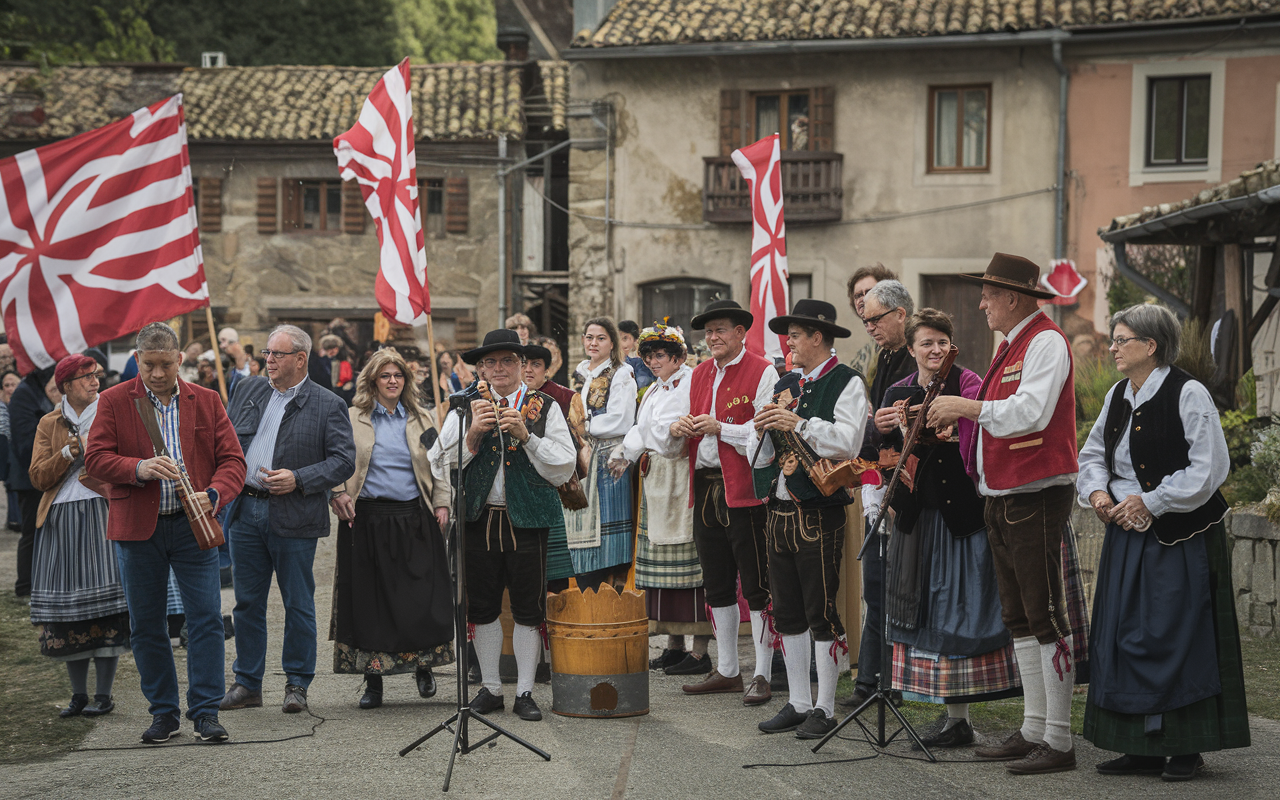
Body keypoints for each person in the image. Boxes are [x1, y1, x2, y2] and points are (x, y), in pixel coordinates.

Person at [1077, 303, 1249, 781]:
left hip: (1179, 537)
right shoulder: (1117, 394)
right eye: (1113, 339)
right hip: (1126, 533)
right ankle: (1138, 746)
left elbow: (1210, 468)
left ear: (1149, 346)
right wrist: (1096, 491)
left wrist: (1151, 502)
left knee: (1176, 636)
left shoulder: (1188, 392)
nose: (1111, 347)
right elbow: (1092, 454)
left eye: (1120, 340)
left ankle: (1185, 747)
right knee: (1123, 636)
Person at [927, 253, 1085, 775]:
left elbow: (1031, 412)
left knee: (1045, 616)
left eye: (989, 295)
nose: (981, 303)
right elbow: (1005, 417)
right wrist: (969, 431)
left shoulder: (1044, 341)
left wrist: (965, 409)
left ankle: (1058, 739)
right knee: (1020, 617)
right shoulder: (1015, 343)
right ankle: (1035, 728)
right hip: (1005, 494)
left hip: (1034, 494)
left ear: (1013, 298)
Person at [85, 322, 246, 743]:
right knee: (147, 624)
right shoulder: (114, 400)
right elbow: (96, 458)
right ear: (137, 360)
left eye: (166, 365)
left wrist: (215, 493)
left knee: (207, 619)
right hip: (139, 528)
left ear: (180, 361)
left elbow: (233, 461)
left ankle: (206, 711)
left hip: (194, 527)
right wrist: (137, 468)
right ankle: (163, 714)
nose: (157, 374)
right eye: (149, 365)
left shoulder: (207, 401)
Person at [881, 309, 1020, 747]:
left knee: (956, 609)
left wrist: (955, 427)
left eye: (942, 341)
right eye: (926, 342)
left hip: (960, 518)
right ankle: (950, 718)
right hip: (915, 518)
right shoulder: (898, 391)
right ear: (911, 349)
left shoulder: (969, 384)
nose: (936, 349)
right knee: (923, 611)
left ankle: (960, 717)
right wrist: (889, 486)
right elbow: (884, 454)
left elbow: (986, 439)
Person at [436, 329, 576, 721]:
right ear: (480, 368)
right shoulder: (464, 406)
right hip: (478, 519)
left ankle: (526, 692)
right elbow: (440, 462)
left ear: (523, 366)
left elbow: (564, 465)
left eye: (509, 361)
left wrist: (527, 437)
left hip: (529, 520)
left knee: (529, 609)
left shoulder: (543, 406)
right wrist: (473, 434)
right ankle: (491, 688)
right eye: (491, 362)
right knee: (481, 609)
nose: (500, 369)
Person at [221, 325, 355, 715]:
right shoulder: (247, 390)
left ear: (301, 359)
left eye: (277, 354)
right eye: (267, 353)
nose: (269, 360)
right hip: (245, 511)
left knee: (298, 602)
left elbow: (343, 460)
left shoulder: (328, 404)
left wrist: (299, 479)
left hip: (294, 513)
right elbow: (226, 441)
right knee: (246, 603)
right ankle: (248, 683)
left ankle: (297, 683)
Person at [751, 300, 865, 738]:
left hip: (818, 512)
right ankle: (798, 702)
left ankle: (827, 707)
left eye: (795, 335)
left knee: (821, 611)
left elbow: (848, 444)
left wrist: (798, 422)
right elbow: (760, 454)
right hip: (778, 509)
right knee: (788, 612)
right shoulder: (785, 382)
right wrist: (763, 427)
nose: (788, 342)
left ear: (818, 337)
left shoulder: (847, 381)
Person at [664, 299, 779, 705]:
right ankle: (728, 669)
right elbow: (672, 431)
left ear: (740, 333)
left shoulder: (763, 370)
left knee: (758, 585)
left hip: (745, 490)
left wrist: (719, 428)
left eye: (720, 330)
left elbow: (764, 431)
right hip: (706, 487)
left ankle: (763, 673)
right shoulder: (696, 374)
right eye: (708, 332)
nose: (712, 338)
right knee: (716, 584)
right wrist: (678, 427)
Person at [329, 348, 454, 710]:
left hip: (414, 517)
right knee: (371, 604)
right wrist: (338, 493)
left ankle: (423, 667)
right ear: (372, 380)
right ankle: (373, 684)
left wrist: (442, 502)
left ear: (407, 380)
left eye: (398, 375)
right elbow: (336, 459)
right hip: (365, 519)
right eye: (385, 376)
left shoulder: (423, 418)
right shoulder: (352, 418)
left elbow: (440, 464)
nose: (393, 381)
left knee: (419, 598)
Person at [607, 323, 712, 676]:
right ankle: (674, 645)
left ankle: (700, 651)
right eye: (649, 355)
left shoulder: (689, 382)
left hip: (680, 476)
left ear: (679, 356)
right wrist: (626, 454)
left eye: (660, 355)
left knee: (689, 563)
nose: (653, 360)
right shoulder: (654, 388)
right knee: (660, 567)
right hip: (657, 478)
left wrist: (657, 435)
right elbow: (642, 429)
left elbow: (675, 437)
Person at [28, 355, 129, 718]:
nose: (94, 382)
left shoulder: (112, 410)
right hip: (60, 519)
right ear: (66, 385)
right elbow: (38, 477)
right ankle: (78, 694)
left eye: (95, 375)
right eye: (85, 377)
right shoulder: (50, 422)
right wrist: (70, 450)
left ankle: (104, 694)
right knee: (68, 610)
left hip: (102, 510)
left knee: (106, 607)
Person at [842, 278, 917, 708]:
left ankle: (889, 682)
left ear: (900, 315)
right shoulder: (883, 357)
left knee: (896, 591)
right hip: (877, 482)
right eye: (865, 318)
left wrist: (877, 426)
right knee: (875, 587)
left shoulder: (913, 357)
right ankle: (871, 680)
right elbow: (873, 425)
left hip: (905, 487)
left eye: (875, 318)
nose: (868, 325)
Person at [565, 318, 637, 591]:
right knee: (582, 521)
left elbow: (622, 418)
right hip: (583, 454)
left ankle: (611, 588)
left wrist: (587, 425)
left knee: (607, 528)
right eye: (589, 337)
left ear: (612, 343)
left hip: (609, 455)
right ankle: (586, 585)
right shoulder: (582, 373)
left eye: (601, 338)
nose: (593, 343)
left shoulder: (621, 373)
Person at [521, 343, 577, 592]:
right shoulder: (503, 398)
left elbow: (573, 447)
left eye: (536, 365)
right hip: (516, 492)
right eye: (523, 364)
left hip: (553, 487)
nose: (528, 370)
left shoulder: (562, 398)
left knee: (554, 573)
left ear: (547, 370)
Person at [9, 365, 57, 596]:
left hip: (46, 471)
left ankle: (40, 582)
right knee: (31, 531)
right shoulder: (25, 392)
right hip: (29, 475)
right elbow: (25, 441)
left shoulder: (37, 387)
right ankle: (25, 586)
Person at [618, 320, 656, 391]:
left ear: (635, 341)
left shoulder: (642, 364)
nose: (620, 342)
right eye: (618, 338)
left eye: (625, 338)